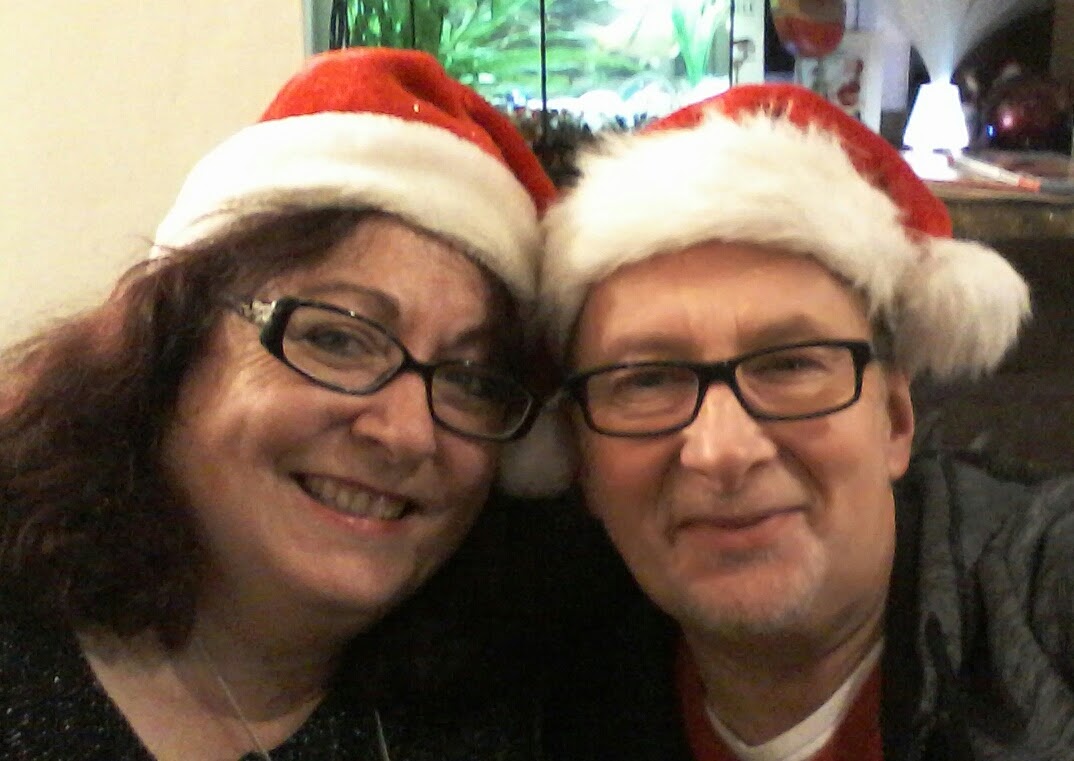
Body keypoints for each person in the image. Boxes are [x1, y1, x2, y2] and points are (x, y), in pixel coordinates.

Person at [0, 47, 562, 759]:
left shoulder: (521, 706)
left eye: (471, 380)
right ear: (172, 344)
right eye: (337, 338)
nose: (407, 432)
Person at [532, 83, 1074, 759]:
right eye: (647, 380)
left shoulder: (1043, 593)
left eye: (789, 365)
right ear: (580, 460)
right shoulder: (535, 688)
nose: (723, 450)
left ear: (895, 419)